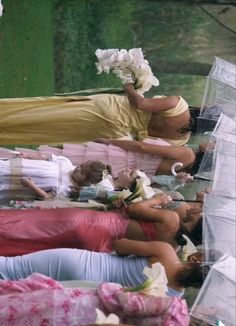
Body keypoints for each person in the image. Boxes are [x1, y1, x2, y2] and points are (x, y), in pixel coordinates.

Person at [0, 193, 203, 256]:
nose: (197, 211)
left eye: (200, 215)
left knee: (32, 224)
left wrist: (158, 200)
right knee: (41, 247)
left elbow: (134, 209)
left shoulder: (172, 220)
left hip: (97, 223)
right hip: (99, 246)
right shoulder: (173, 248)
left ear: (197, 223)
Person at [0, 239, 209, 298]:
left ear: (198, 258)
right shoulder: (173, 300)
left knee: (11, 267)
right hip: (85, 291)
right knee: (16, 293)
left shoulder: (166, 253)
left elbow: (120, 246)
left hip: (85, 263)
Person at [0, 84, 198, 145]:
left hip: (111, 109)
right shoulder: (180, 140)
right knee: (49, 131)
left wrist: (129, 85)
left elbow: (142, 103)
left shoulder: (179, 104)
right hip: (111, 130)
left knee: (47, 112)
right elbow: (141, 141)